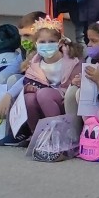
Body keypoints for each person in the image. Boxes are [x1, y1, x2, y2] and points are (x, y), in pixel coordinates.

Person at [6, 17, 80, 146]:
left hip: (62, 98)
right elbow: (28, 81)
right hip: (42, 98)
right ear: (36, 44)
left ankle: (57, 133)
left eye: (51, 41)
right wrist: (29, 88)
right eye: (42, 42)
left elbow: (77, 80)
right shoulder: (35, 63)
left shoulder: (71, 60)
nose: (47, 45)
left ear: (60, 43)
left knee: (44, 94)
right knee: (28, 98)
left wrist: (75, 81)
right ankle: (37, 135)